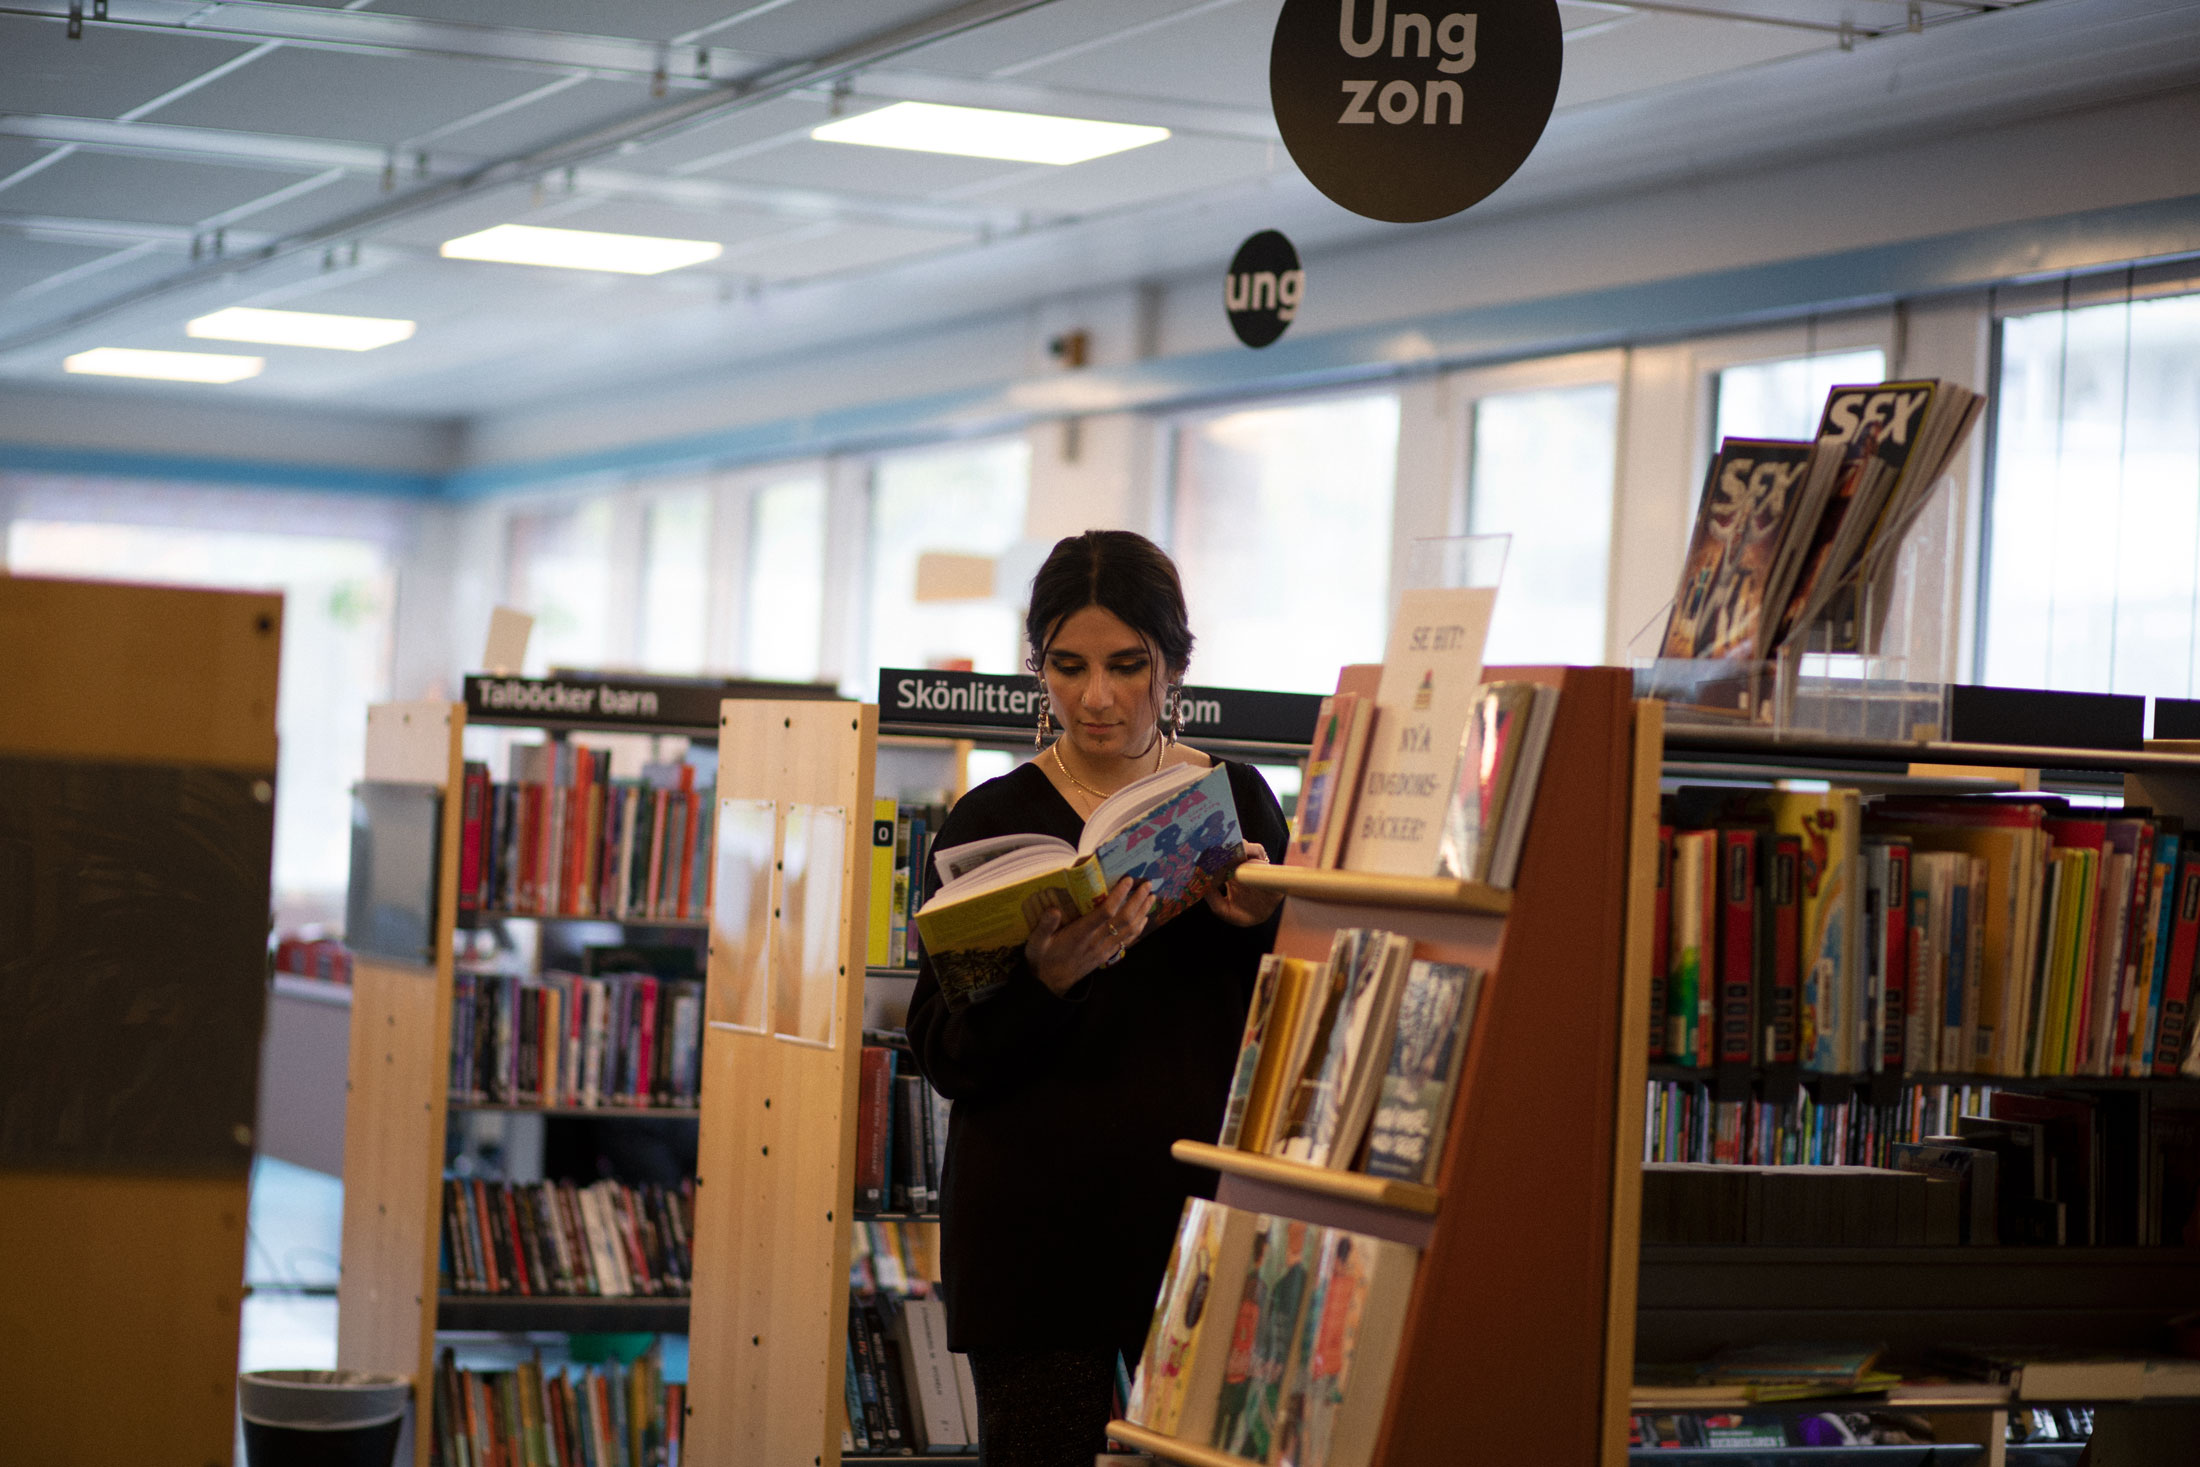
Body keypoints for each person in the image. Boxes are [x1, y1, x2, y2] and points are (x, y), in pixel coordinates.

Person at [905, 529, 1290, 1467]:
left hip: (1197, 1214)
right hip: (1036, 1234)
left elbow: (1295, 1015)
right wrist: (1049, 981)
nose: (1096, 695)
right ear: (1037, 666)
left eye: (1127, 665)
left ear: (1174, 664)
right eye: (1066, 666)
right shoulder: (991, 821)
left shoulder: (1234, 797)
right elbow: (944, 1054)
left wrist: (1264, 923)